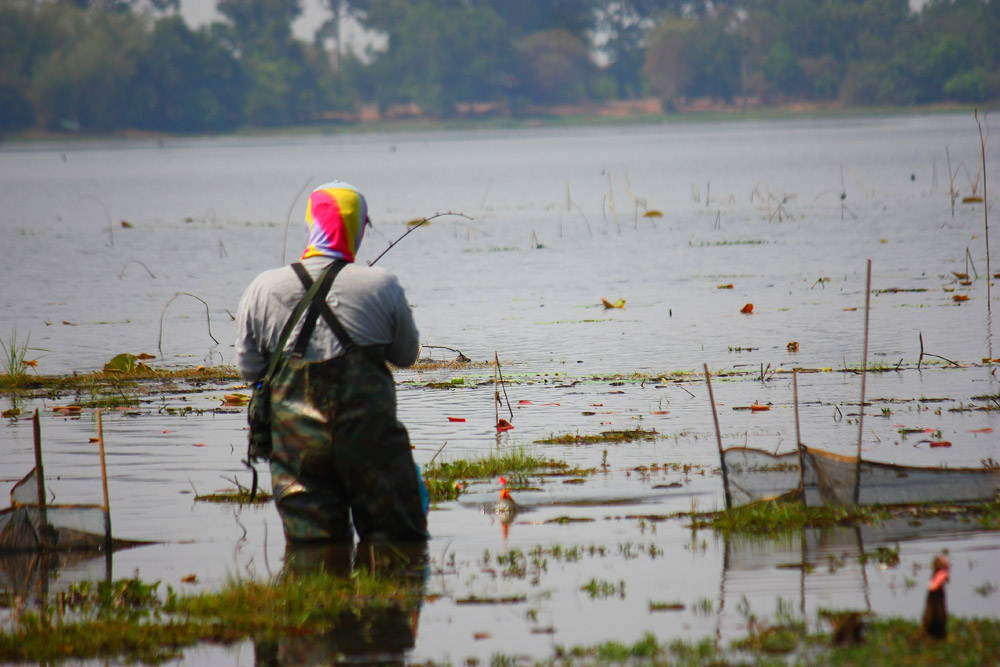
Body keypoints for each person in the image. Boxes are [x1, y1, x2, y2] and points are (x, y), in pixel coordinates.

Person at [236, 180, 428, 544]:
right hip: (371, 444)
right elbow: (406, 356)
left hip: (296, 450)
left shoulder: (262, 287)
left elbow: (250, 369)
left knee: (313, 552)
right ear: (357, 226)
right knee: (399, 545)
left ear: (312, 224)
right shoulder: (381, 284)